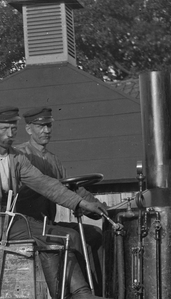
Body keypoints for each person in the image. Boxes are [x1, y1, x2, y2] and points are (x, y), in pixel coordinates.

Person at [0, 106, 118, 299]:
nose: (9, 134)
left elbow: (46, 184)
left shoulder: (17, 158)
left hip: (9, 222)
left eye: (13, 128)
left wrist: (83, 204)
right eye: (4, 128)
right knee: (64, 236)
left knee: (62, 236)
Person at [13, 105, 105, 285]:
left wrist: (100, 207)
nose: (46, 130)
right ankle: (80, 297)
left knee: (95, 234)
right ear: (28, 129)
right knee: (72, 236)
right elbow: (46, 187)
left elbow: (72, 188)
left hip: (49, 223)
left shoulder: (53, 160)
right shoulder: (21, 156)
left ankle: (101, 294)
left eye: (49, 126)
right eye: (40, 126)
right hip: (26, 225)